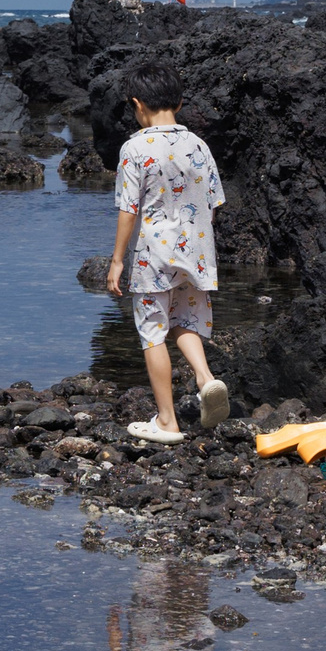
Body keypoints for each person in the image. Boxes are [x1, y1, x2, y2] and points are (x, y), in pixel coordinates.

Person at [104, 67, 229, 443]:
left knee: (153, 332)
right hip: (197, 251)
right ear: (179, 102)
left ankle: (167, 421)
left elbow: (129, 208)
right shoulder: (199, 146)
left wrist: (117, 260)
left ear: (137, 105)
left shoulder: (135, 147)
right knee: (185, 321)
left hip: (153, 255)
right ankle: (206, 378)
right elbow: (215, 202)